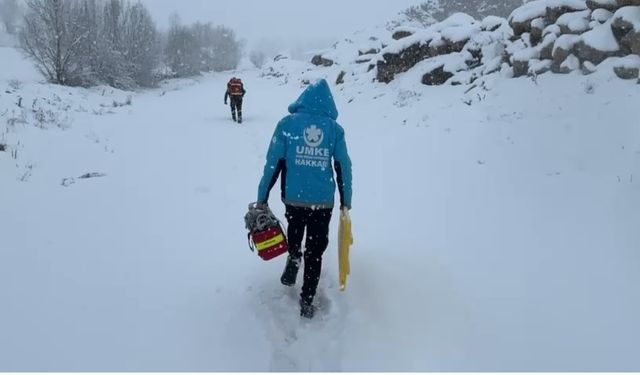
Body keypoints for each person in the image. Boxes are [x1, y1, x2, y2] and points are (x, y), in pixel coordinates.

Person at [256, 79, 352, 319]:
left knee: (296, 230)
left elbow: (273, 163)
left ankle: (294, 256)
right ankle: (307, 298)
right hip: (323, 202)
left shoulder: (287, 124)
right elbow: (343, 166)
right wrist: (345, 200)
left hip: (294, 198)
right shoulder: (333, 130)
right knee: (316, 250)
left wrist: (262, 197)